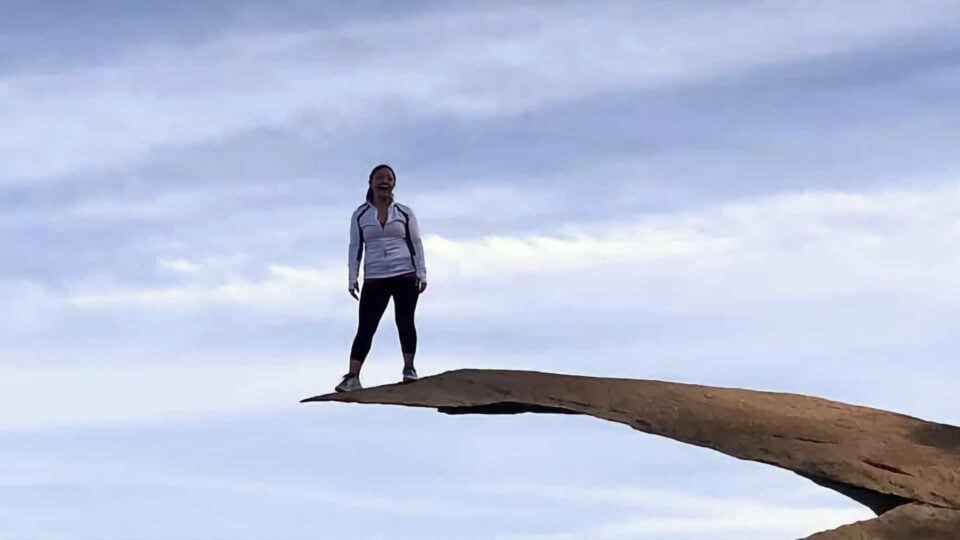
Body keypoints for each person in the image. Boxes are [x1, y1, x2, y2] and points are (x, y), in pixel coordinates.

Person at [336, 164, 428, 392]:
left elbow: (415, 242)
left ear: (393, 184)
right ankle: (352, 377)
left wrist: (422, 271)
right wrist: (352, 276)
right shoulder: (360, 215)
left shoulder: (405, 213)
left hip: (404, 273)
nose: (384, 181)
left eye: (388, 178)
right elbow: (355, 246)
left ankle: (409, 369)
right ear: (371, 182)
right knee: (366, 326)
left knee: (404, 320)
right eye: (379, 178)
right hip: (375, 276)